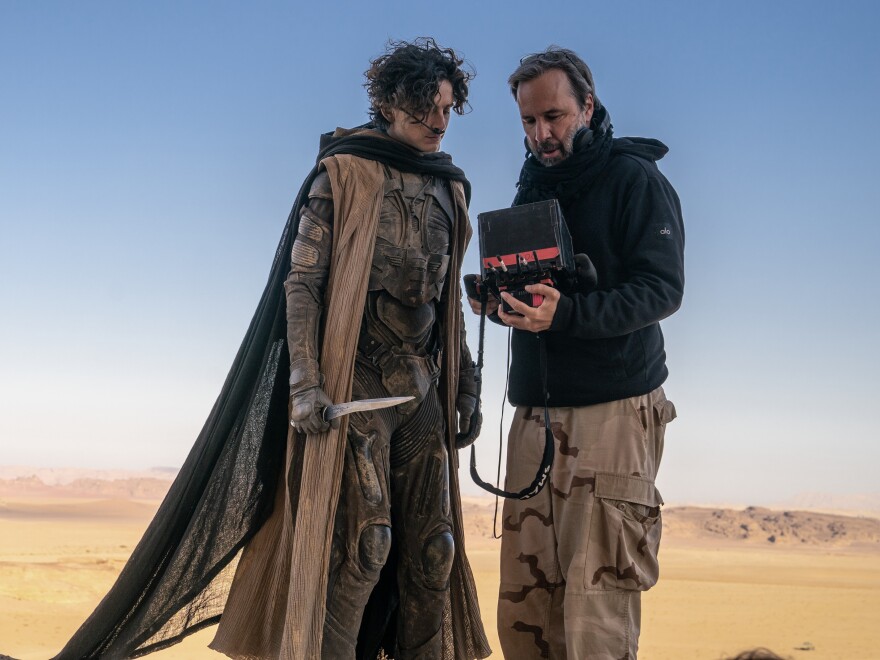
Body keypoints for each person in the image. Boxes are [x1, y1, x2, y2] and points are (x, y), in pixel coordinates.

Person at [56, 38, 489, 660]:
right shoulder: (344, 174)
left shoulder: (452, 189)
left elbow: (448, 305)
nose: (441, 122)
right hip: (356, 386)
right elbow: (304, 284)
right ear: (391, 103)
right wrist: (307, 384)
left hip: (422, 386)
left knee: (433, 554)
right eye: (428, 108)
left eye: (449, 109)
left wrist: (467, 383)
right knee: (362, 550)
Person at [467, 47, 684, 658]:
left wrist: (568, 315)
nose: (542, 135)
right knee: (527, 614)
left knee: (596, 620)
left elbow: (662, 289)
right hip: (535, 417)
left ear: (587, 105)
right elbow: (541, 283)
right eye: (529, 123)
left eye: (555, 117)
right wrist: (498, 299)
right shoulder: (532, 184)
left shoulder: (633, 178)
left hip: (612, 416)